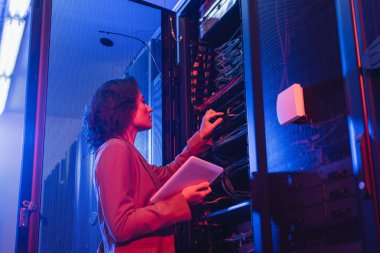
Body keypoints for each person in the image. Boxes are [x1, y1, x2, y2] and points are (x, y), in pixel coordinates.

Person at [83, 77, 224, 253]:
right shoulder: (115, 149)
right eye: (142, 102)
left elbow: (168, 173)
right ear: (125, 109)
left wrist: (200, 137)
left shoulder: (125, 151)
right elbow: (121, 226)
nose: (149, 108)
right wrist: (182, 200)